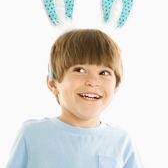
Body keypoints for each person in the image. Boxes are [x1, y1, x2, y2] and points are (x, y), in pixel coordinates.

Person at [6, 29, 143, 168]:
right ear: (53, 84)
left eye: (104, 72)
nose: (93, 81)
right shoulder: (32, 135)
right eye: (80, 70)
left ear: (116, 87)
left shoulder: (121, 141)